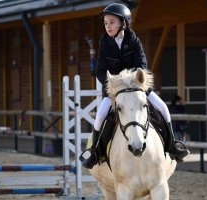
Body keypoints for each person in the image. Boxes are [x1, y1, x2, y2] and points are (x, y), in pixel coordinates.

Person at [80, 3, 189, 169]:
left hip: (137, 88)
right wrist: (114, 84)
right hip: (115, 91)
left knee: (162, 108)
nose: (107, 26)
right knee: (101, 116)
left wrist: (133, 82)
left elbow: (142, 66)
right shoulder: (104, 44)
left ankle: (172, 145)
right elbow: (101, 71)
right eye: (106, 23)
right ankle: (96, 152)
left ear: (123, 23)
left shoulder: (134, 41)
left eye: (112, 22)